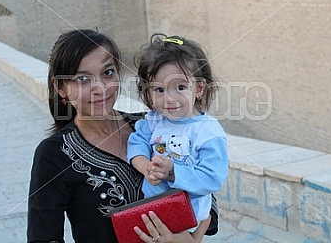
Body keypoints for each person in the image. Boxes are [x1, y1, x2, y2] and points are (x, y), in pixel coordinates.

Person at [27, 29, 218, 243]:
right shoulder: (54, 154)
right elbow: (42, 238)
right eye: (82, 79)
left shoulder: (150, 125)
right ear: (60, 88)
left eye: (107, 72)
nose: (100, 88)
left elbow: (205, 190)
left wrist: (193, 239)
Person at [127, 34, 228, 224]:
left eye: (180, 87)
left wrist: (172, 172)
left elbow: (212, 178)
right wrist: (145, 167)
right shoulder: (153, 120)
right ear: (148, 91)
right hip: (150, 209)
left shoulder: (207, 131)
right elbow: (136, 143)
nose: (169, 98)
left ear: (199, 88)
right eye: (159, 90)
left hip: (187, 215)